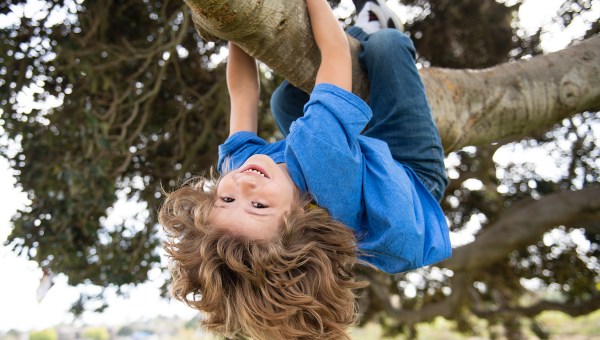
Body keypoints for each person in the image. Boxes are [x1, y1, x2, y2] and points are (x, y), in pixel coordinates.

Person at [159, 0, 451, 338]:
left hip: (358, 172)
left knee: (284, 101)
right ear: (302, 216)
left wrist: (233, 26)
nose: (243, 188)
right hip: (411, 175)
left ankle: (349, 105)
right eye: (258, 207)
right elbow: (335, 52)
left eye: (225, 201)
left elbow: (242, 93)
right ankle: (374, 23)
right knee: (387, 47)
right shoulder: (320, 155)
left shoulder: (237, 172)